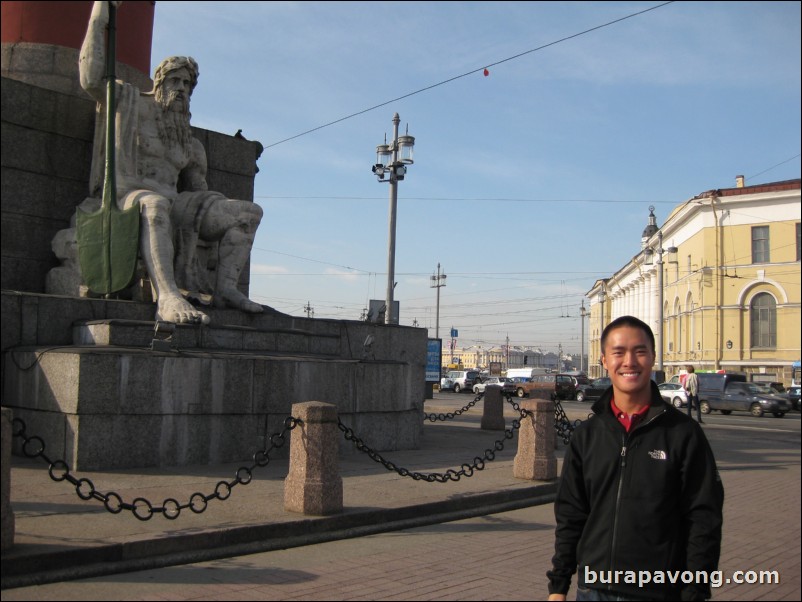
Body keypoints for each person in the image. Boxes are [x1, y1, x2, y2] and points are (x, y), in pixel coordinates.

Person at [79, 1, 264, 324]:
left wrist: (209, 213)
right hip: (129, 195)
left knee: (247, 212)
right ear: (159, 82)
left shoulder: (188, 140)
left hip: (174, 200)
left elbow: (199, 194)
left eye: (188, 85)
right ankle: (167, 296)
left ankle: (225, 289)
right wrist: (100, 12)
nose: (181, 90)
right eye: (175, 81)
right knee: (155, 205)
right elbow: (91, 77)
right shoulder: (129, 103)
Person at [546, 316, 723, 601]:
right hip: (592, 591)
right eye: (618, 352)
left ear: (652, 358)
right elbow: (571, 514)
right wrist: (558, 586)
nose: (629, 361)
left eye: (639, 351)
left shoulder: (683, 434)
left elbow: (703, 519)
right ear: (604, 360)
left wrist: (696, 591)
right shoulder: (588, 436)